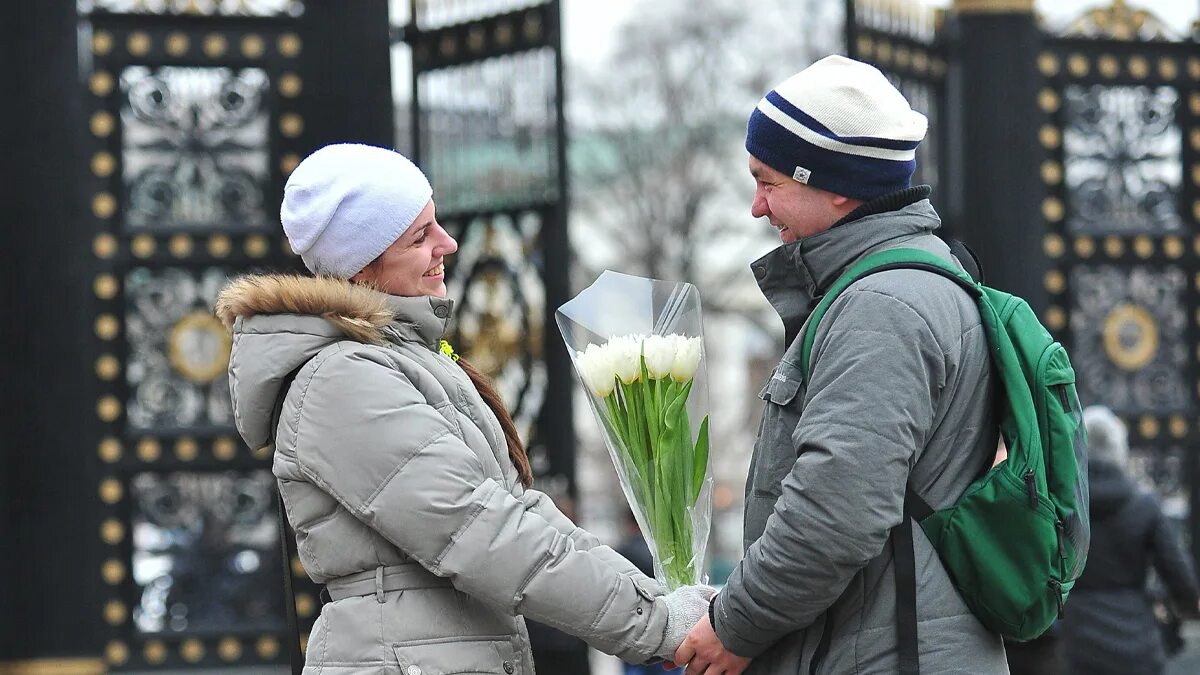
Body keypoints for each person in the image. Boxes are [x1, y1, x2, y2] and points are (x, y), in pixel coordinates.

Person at [215, 143, 713, 674]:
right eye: (420, 236)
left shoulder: (400, 362)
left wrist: (660, 602)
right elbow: (481, 532)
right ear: (362, 264)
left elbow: (523, 513)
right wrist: (659, 626)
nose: (447, 244)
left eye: (437, 225)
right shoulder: (342, 380)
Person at [673, 55, 1008, 673]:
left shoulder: (882, 309)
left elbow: (836, 513)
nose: (756, 207)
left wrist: (737, 627)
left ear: (838, 185)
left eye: (768, 182)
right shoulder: (903, 285)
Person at [1059, 406, 1200, 675]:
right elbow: (1180, 579)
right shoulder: (1144, 507)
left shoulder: (1064, 509)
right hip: (1137, 646)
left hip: (1075, 645)